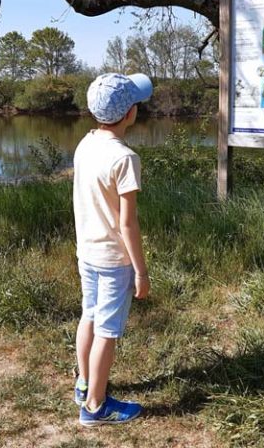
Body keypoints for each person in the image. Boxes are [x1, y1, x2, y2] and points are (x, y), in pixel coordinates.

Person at [72, 72, 153, 426]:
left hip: (87, 253)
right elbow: (127, 224)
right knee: (107, 329)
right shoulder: (125, 158)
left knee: (89, 315)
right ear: (130, 113)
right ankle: (95, 406)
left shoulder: (85, 143)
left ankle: (85, 381)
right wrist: (140, 270)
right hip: (113, 260)